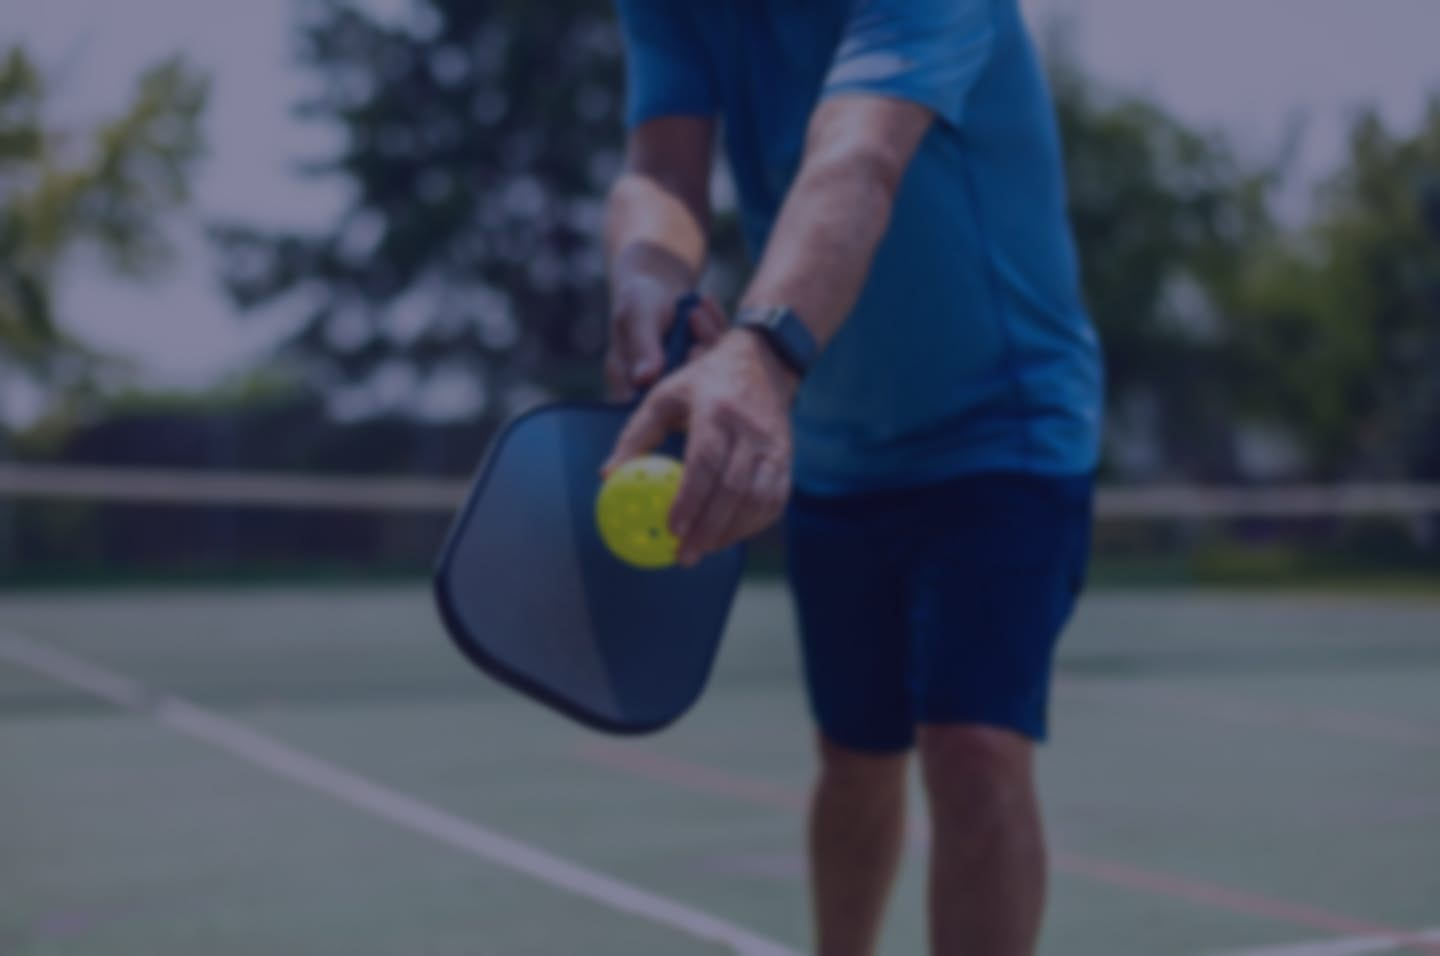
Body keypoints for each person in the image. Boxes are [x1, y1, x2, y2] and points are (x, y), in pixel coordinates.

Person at [601, 0, 1103, 952]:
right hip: (830, 438)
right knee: (856, 756)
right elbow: (661, 169)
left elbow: (856, 155)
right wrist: (642, 277)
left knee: (974, 754)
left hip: (1004, 426)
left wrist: (758, 357)